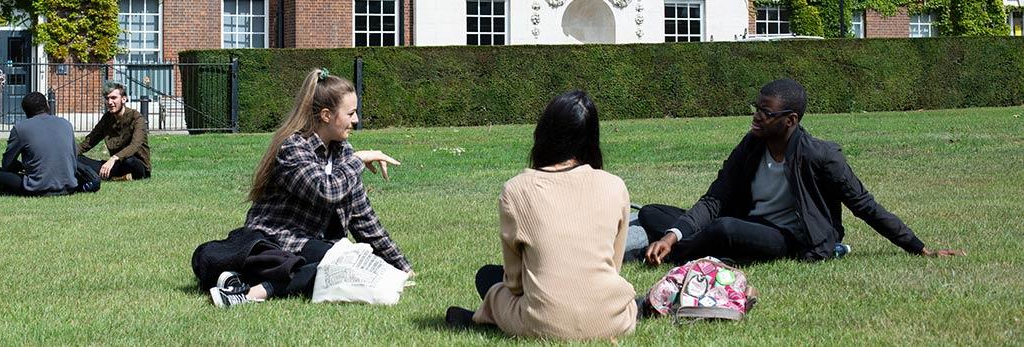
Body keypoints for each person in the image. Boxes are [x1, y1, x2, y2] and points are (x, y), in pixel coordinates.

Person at [641, 79, 964, 266]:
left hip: (788, 238)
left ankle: (676, 254)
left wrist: (919, 247)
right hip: (747, 222)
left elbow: (865, 206)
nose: (756, 118)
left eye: (765, 113)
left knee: (723, 228)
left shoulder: (822, 156)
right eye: (756, 109)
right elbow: (715, 199)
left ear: (790, 120)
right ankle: (689, 247)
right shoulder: (752, 144)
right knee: (654, 214)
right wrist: (673, 234)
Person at [205, 69, 413, 307]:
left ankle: (240, 283)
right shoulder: (294, 148)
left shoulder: (343, 152)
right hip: (278, 241)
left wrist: (402, 268)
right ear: (326, 115)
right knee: (337, 269)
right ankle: (250, 294)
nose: (356, 120)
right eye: (351, 113)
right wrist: (358, 161)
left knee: (356, 263)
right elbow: (326, 191)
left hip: (314, 244)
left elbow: (364, 219)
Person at [444, 91, 636, 340]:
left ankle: (482, 317)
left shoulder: (516, 189)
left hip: (542, 323)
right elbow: (613, 266)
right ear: (592, 138)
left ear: (544, 133)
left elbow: (514, 284)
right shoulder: (615, 186)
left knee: (489, 279)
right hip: (613, 320)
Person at [0, 92, 78, 196]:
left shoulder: (21, 128)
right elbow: (73, 157)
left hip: (37, 188)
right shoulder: (66, 124)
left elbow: (7, 164)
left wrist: (22, 168)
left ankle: (7, 192)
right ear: (47, 105)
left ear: (25, 111)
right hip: (68, 186)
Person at [76, 82, 151, 181]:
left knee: (130, 161)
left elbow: (135, 145)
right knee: (76, 160)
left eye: (114, 98)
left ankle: (112, 176)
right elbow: (89, 142)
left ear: (124, 99)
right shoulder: (107, 118)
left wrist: (114, 158)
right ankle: (117, 176)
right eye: (107, 99)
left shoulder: (137, 118)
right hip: (116, 165)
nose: (110, 102)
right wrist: (68, 153)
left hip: (135, 164)